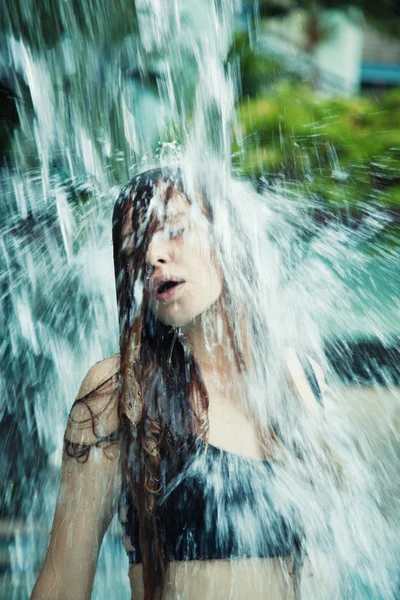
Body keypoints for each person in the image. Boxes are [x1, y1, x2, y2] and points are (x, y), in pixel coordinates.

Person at [31, 167, 327, 600]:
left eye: (173, 229)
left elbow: (325, 563)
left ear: (226, 235)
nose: (152, 254)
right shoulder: (119, 391)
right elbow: (62, 583)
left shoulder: (298, 379)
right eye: (136, 246)